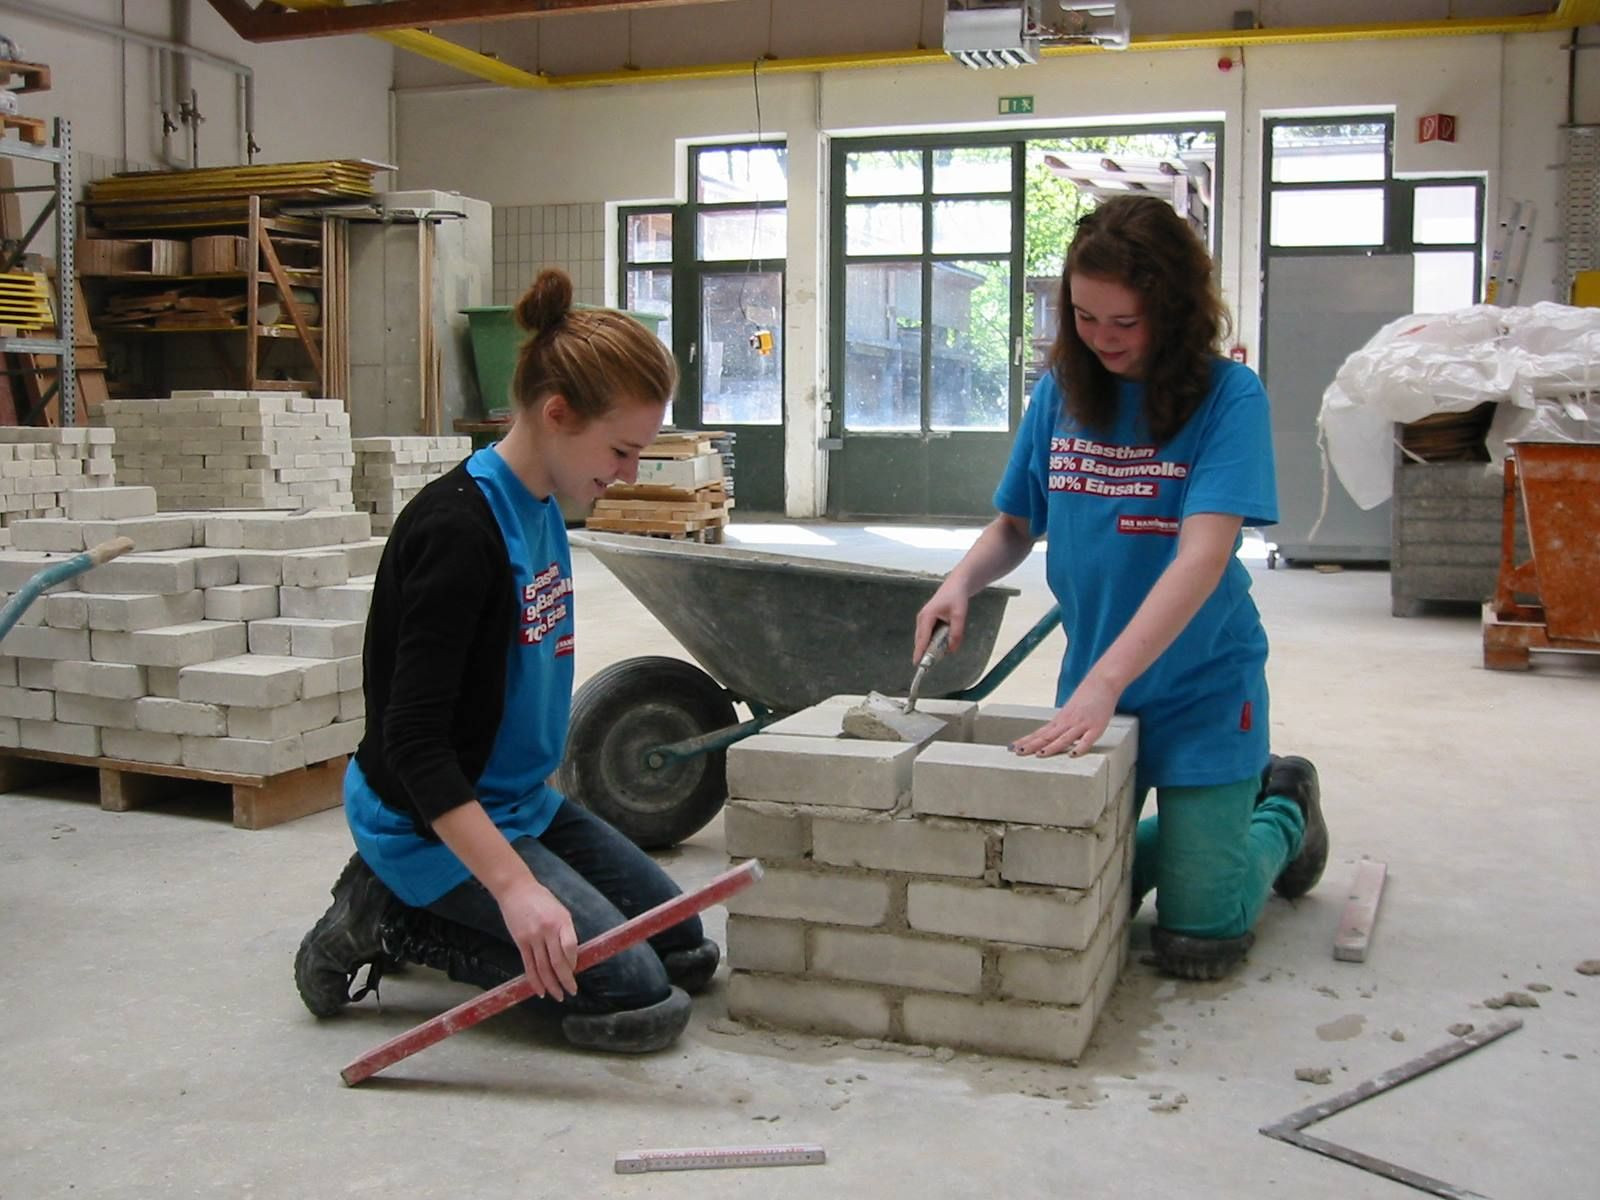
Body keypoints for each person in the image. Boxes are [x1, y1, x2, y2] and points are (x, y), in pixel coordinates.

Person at [293, 267, 718, 1051]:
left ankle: (487, 900)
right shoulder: (457, 533)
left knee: (683, 948)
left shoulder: (544, 501)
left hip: (521, 802)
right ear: (557, 414)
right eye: (622, 450)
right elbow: (413, 745)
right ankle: (385, 915)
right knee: (634, 1001)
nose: (629, 474)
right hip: (429, 819)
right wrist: (517, 889)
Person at [914, 195, 1328, 982]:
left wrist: (1107, 681)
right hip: (1098, 690)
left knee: (1198, 939)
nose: (1101, 339)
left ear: (1171, 311)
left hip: (1203, 687)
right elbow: (1015, 525)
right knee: (1069, 900)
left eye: (1124, 323)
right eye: (1084, 317)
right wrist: (959, 582)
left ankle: (1284, 809)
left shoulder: (1228, 398)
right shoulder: (1062, 394)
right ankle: (1195, 834)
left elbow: (1201, 558)